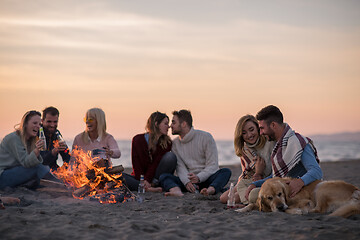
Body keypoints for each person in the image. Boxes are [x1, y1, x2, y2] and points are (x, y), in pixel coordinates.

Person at [244, 105, 323, 202]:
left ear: (273, 125)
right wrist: (255, 184)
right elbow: (276, 177)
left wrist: (300, 182)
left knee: (254, 196)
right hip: (284, 190)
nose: (260, 133)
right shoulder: (279, 146)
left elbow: (316, 171)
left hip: (304, 190)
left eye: (262, 128)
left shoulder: (297, 142)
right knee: (253, 191)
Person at [159, 110, 231, 196]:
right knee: (164, 177)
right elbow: (180, 167)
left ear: (184, 124)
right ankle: (177, 191)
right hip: (189, 182)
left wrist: (198, 177)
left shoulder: (206, 137)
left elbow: (213, 165)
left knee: (226, 172)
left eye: (173, 122)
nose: (170, 126)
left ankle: (210, 191)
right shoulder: (175, 144)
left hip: (207, 179)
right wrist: (187, 182)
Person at [219, 115, 274, 206]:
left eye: (251, 130)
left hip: (264, 179)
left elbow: (269, 170)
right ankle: (246, 198)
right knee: (223, 198)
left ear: (257, 128)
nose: (249, 135)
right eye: (244, 133)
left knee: (232, 198)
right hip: (249, 179)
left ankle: (247, 203)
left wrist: (259, 172)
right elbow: (246, 171)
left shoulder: (268, 143)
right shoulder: (245, 149)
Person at [122, 111, 177, 192]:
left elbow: (155, 163)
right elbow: (136, 164)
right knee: (118, 176)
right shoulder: (137, 139)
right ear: (156, 124)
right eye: (165, 124)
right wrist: (143, 181)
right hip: (140, 179)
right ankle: (147, 188)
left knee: (170, 157)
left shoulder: (167, 143)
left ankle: (148, 187)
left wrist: (148, 180)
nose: (168, 127)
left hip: (156, 179)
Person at [0, 110, 55, 190]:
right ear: (25, 124)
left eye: (39, 124)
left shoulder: (31, 140)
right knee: (37, 168)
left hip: (15, 172)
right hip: (2, 176)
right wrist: (37, 150)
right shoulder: (14, 138)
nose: (38, 126)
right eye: (34, 123)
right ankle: (60, 185)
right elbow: (26, 163)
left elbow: (33, 162)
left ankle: (58, 185)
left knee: (41, 172)